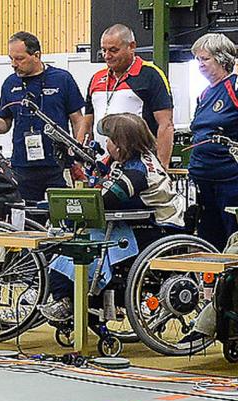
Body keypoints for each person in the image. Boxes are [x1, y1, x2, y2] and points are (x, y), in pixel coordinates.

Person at [41, 113, 185, 322]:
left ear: (120, 144)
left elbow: (103, 202)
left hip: (156, 230)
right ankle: (70, 298)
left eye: (108, 139)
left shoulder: (138, 172)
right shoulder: (137, 159)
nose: (105, 143)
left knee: (81, 243)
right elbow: (105, 177)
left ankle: (68, 298)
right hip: (144, 223)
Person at [0, 31, 85, 202]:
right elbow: (5, 123)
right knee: (25, 215)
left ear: (36, 55)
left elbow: (78, 120)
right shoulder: (10, 83)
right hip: (23, 166)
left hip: (58, 165)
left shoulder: (62, 79)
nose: (14, 64)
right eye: (11, 59)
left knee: (62, 215)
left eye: (19, 59)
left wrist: (79, 156)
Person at [79, 24, 174, 167]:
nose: (107, 56)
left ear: (131, 46)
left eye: (113, 50)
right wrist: (80, 158)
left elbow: (166, 124)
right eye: (104, 50)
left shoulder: (151, 75)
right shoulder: (96, 78)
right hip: (102, 163)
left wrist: (162, 166)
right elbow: (86, 123)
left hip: (140, 163)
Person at [185, 33, 238, 251]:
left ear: (221, 58)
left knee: (232, 237)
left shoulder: (234, 87)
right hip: (202, 178)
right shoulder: (204, 94)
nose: (200, 65)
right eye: (197, 59)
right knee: (208, 240)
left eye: (205, 59)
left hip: (230, 179)